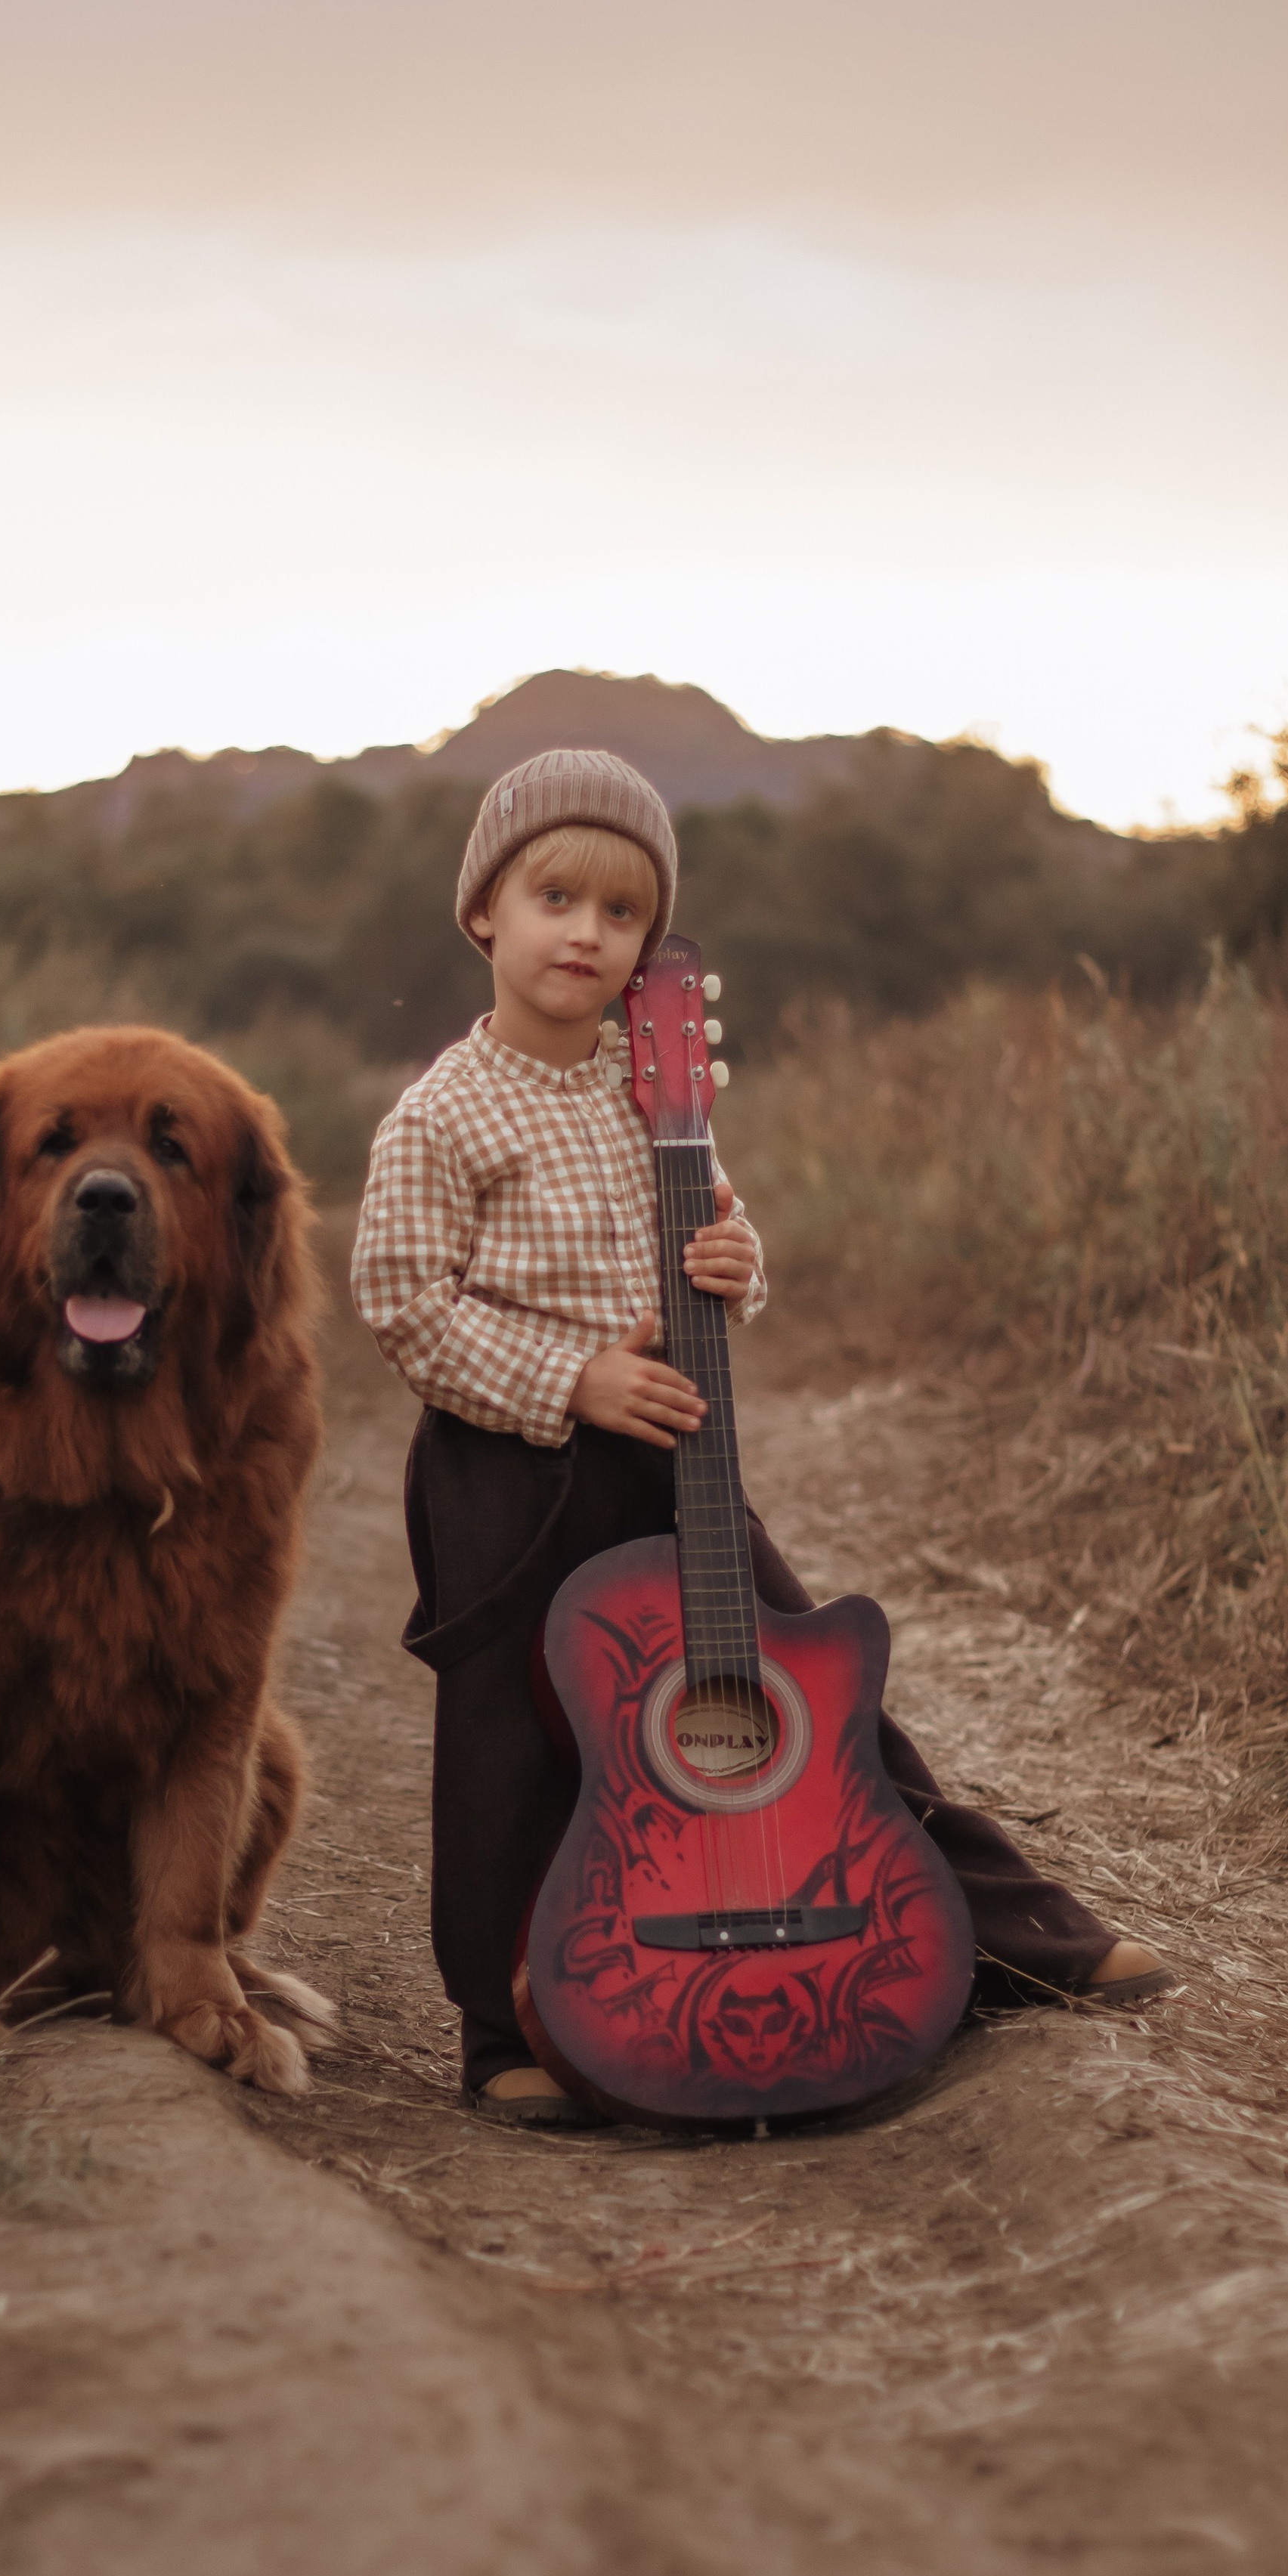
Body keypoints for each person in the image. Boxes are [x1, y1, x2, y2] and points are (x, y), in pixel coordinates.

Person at [351, 749, 1173, 2127]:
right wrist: (569, 1381)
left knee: (810, 1689)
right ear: (484, 913)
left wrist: (735, 1259)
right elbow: (401, 1306)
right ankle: (505, 2029)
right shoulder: (441, 1114)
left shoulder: (653, 1088)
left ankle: (1012, 1938)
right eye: (556, 897)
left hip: (673, 1444)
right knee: (511, 1743)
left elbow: (729, 1232)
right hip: (506, 1468)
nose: (588, 935)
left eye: (622, 916)